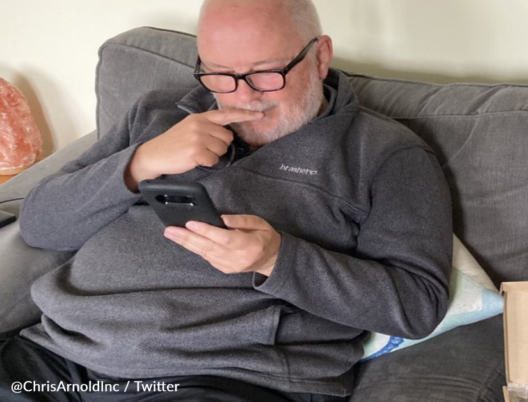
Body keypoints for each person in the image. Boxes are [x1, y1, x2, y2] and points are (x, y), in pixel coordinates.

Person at [0, 0, 453, 401]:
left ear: (319, 58)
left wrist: (277, 259)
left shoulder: (385, 154)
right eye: (220, 74)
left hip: (222, 376)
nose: (243, 96)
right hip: (59, 357)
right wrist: (139, 164)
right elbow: (40, 225)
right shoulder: (157, 114)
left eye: (265, 73)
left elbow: (417, 306)